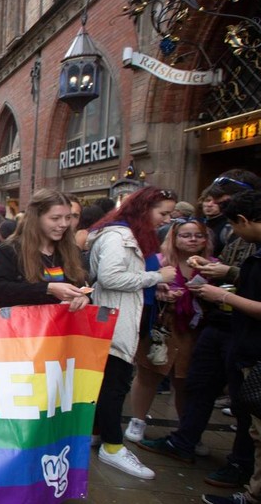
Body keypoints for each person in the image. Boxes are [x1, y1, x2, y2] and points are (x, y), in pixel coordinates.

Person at [139, 170, 261, 487]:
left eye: (222, 202)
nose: (215, 207)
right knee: (198, 384)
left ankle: (243, 466)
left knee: (245, 401)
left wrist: (223, 285)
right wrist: (218, 274)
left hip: (243, 330)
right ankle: (185, 440)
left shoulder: (240, 234)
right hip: (223, 325)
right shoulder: (232, 234)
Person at [86, 186, 178, 480]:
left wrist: (154, 285)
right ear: (144, 208)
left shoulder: (131, 234)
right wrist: (156, 277)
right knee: (115, 385)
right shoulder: (119, 236)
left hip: (126, 316)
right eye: (163, 213)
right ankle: (113, 446)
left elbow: (126, 276)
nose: (166, 219)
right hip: (115, 319)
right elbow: (111, 277)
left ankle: (100, 434)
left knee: (112, 383)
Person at [189, 190, 261, 504]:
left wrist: (222, 296)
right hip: (245, 342)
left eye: (236, 227)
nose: (236, 235)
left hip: (254, 347)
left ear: (243, 220)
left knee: (257, 425)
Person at [124, 217, 215, 445]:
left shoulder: (213, 265)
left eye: (198, 235)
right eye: (186, 235)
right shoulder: (157, 261)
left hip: (193, 330)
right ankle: (138, 420)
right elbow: (140, 287)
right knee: (148, 373)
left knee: (185, 381)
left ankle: (187, 431)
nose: (193, 240)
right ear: (173, 238)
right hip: (161, 326)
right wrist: (158, 292)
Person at [0, 189, 90, 310]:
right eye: (55, 218)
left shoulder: (73, 251)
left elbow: (84, 285)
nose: (64, 224)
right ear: (36, 218)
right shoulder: (11, 250)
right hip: (25, 324)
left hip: (64, 324)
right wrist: (47, 289)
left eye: (68, 217)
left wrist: (83, 297)